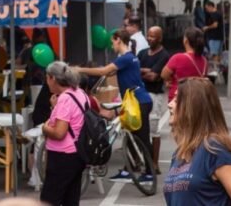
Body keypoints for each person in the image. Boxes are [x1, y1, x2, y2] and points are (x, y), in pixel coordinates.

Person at [77, 29, 153, 183]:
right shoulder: (130, 58)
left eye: (112, 42)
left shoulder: (126, 58)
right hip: (136, 101)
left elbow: (103, 71)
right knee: (131, 135)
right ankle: (128, 170)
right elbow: (108, 73)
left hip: (139, 101)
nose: (111, 46)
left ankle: (149, 174)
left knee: (142, 138)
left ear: (118, 39)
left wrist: (79, 69)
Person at [164, 78, 231, 205]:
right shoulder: (178, 153)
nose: (170, 104)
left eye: (177, 100)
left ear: (193, 107)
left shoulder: (214, 148)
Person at [39, 61, 89, 206]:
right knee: (71, 199)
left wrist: (44, 128)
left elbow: (59, 132)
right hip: (78, 153)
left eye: (47, 78)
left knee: (49, 199)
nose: (46, 82)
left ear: (52, 78)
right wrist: (55, 108)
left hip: (62, 156)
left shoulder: (65, 99)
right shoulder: (80, 93)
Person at [138, 26, 170, 170]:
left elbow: (154, 77)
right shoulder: (142, 53)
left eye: (153, 36)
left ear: (160, 38)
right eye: (149, 35)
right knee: (140, 128)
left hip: (155, 95)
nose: (150, 38)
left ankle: (155, 163)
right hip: (141, 94)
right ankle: (141, 160)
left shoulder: (164, 55)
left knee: (153, 129)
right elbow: (136, 71)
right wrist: (147, 71)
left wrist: (144, 72)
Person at [161, 27, 209, 102]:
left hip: (178, 98)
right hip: (196, 99)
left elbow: (164, 74)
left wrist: (169, 80)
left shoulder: (178, 58)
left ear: (186, 41)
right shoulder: (204, 60)